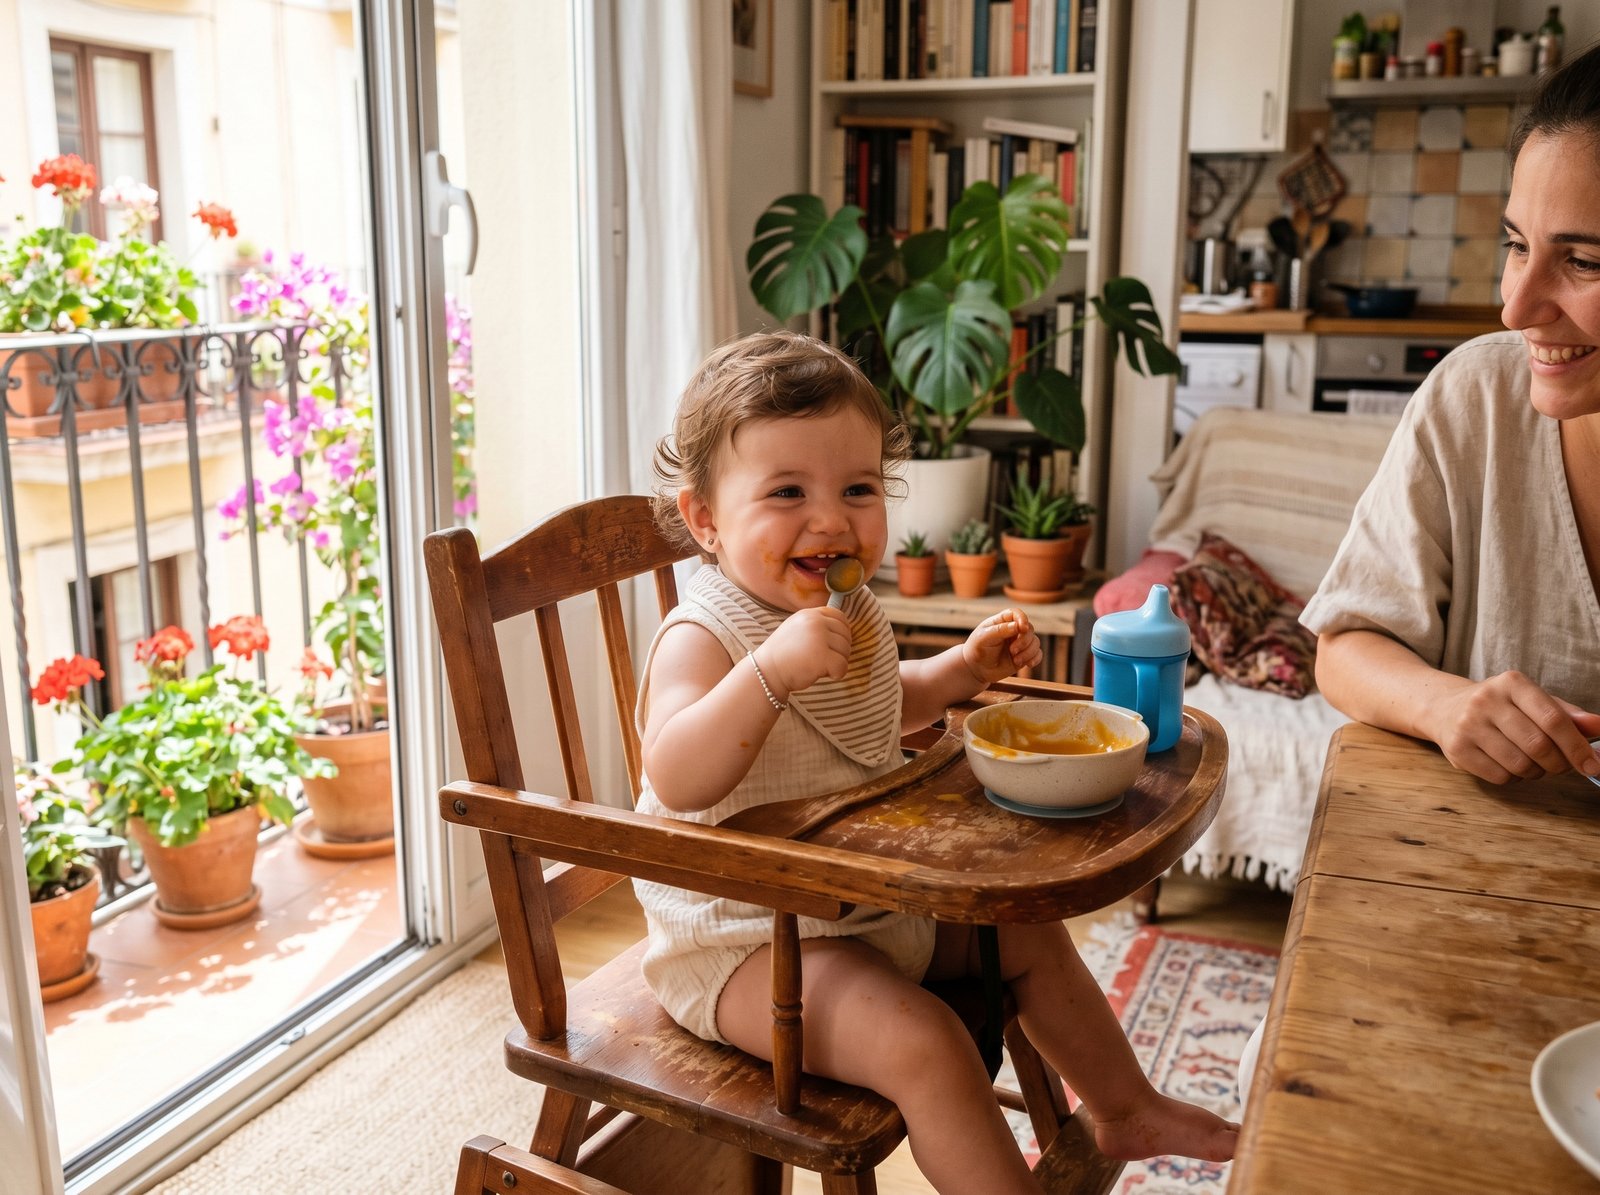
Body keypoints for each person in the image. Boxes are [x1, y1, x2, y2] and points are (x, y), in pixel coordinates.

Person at [637, 330, 1238, 1193]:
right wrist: (767, 673)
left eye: (857, 488)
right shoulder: (707, 633)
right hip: (744, 939)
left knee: (1027, 931)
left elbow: (879, 702)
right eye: (786, 492)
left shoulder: (846, 603)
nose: (830, 518)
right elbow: (676, 772)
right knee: (929, 1044)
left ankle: (1124, 1104)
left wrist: (961, 671)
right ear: (705, 519)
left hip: (863, 897)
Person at [1303, 40, 1600, 785]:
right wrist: (1445, 705)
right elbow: (1343, 644)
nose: (1515, 305)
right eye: (1516, 244)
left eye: (1584, 261)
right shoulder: (1475, 397)